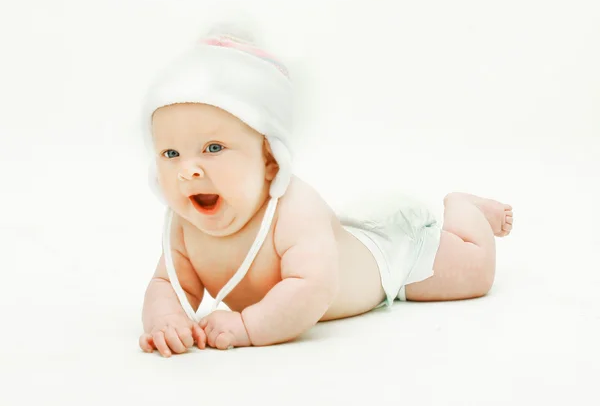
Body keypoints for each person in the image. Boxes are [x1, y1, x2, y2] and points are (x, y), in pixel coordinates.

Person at [138, 23, 514, 357]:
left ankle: (465, 209)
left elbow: (312, 288)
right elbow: (166, 282)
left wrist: (248, 327)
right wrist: (166, 320)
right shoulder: (183, 225)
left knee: (474, 272)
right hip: (347, 238)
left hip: (391, 259)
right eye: (171, 153)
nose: (188, 170)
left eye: (214, 148)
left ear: (271, 159)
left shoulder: (294, 209)